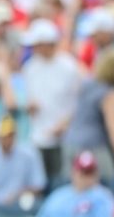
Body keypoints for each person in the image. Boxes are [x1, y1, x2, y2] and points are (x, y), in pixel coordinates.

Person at [21, 18, 81, 183]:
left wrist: (65, 122)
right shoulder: (30, 67)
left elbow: (78, 101)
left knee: (62, 180)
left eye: (37, 44)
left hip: (65, 136)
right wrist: (30, 107)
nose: (34, 49)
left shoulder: (69, 67)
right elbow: (30, 98)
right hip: (38, 135)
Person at [62, 48, 114, 182]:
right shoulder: (111, 94)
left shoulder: (87, 84)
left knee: (75, 187)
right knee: (108, 184)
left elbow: (75, 113)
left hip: (70, 142)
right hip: (93, 146)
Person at [0, 116, 46, 216]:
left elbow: (39, 186)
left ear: (15, 135)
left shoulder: (30, 154)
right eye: (3, 136)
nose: (7, 139)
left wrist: (17, 195)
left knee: (30, 203)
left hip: (21, 205)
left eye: (10, 135)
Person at [37, 151, 114, 217]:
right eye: (83, 173)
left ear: (97, 174)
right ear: (73, 173)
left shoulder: (105, 197)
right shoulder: (58, 196)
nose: (87, 178)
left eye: (90, 173)